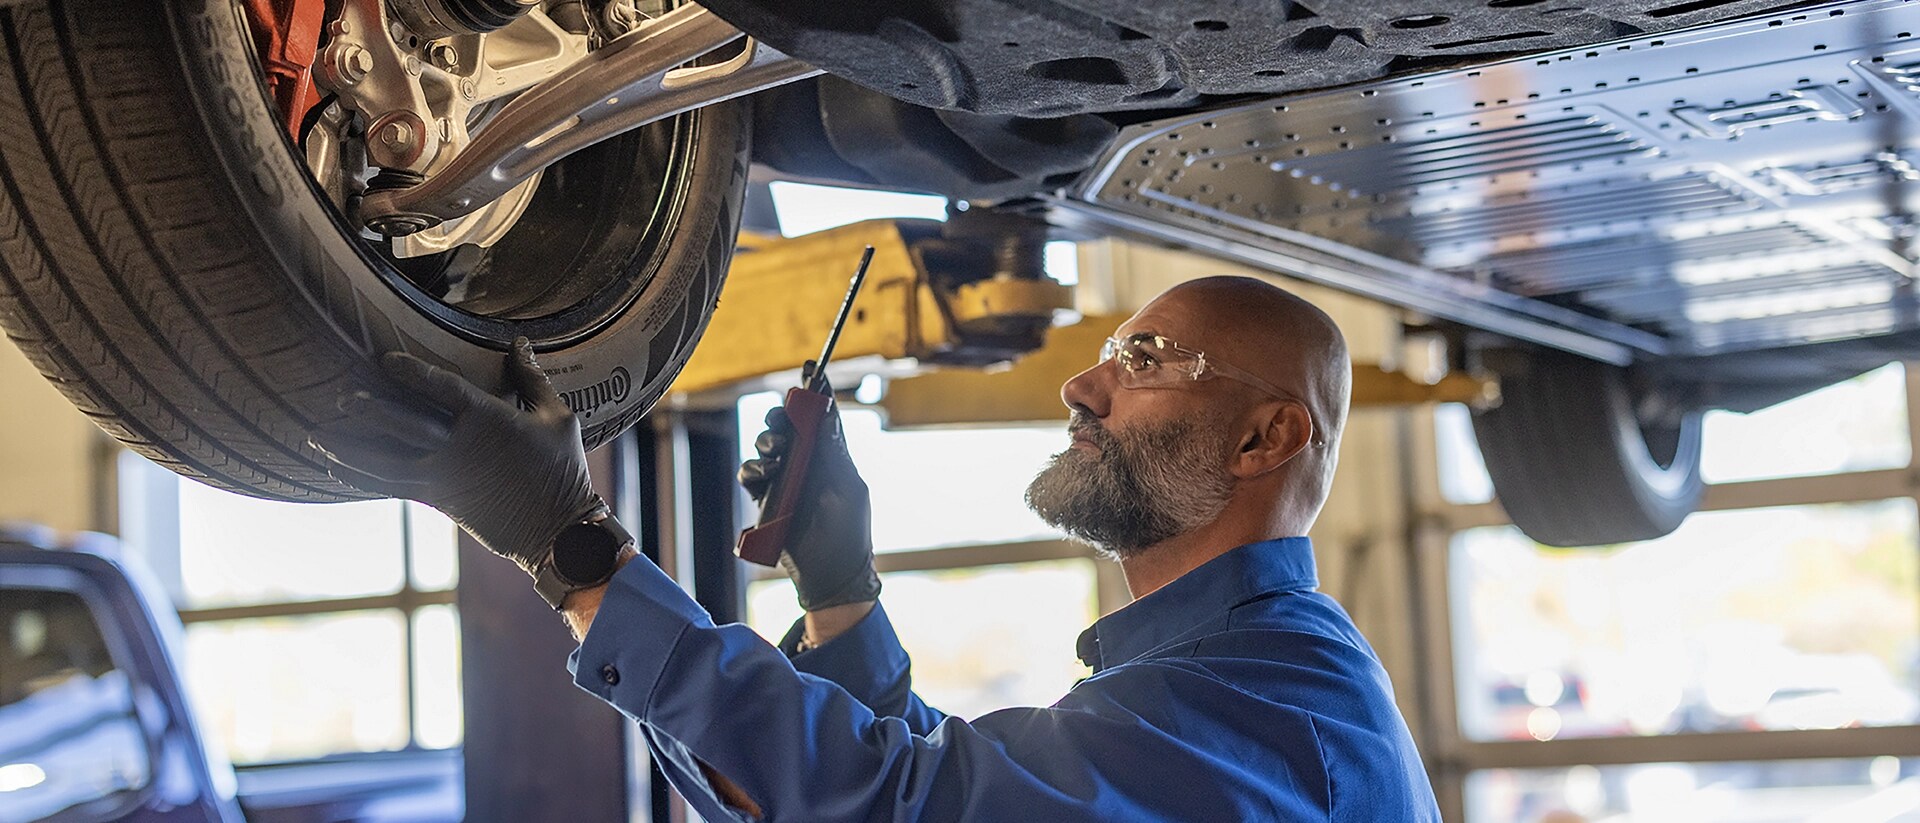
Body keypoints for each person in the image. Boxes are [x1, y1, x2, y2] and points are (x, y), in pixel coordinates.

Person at [311, 275, 1442, 821]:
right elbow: (967, 794)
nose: (1083, 385)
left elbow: (906, 807)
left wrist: (574, 553)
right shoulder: (1231, 678)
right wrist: (841, 592)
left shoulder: (1280, 714)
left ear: (1267, 436)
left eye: (1143, 356)